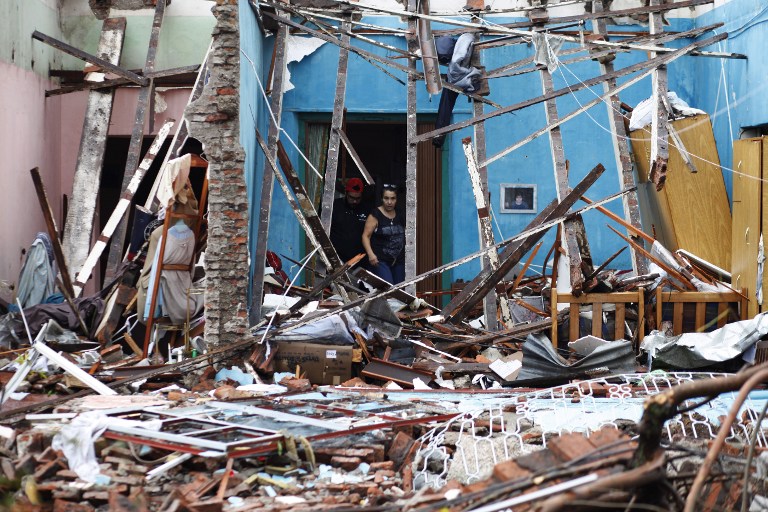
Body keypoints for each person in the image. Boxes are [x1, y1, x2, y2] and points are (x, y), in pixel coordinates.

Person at [362, 185, 405, 284]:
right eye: (386, 198)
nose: (389, 202)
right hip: (380, 260)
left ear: (396, 199)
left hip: (398, 260)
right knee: (387, 287)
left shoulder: (400, 214)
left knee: (400, 288)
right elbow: (365, 236)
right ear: (382, 198)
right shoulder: (375, 214)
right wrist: (371, 255)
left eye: (392, 198)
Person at [330, 178, 370, 263]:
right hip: (336, 258)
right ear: (346, 194)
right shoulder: (334, 207)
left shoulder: (367, 209)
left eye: (358, 198)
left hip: (360, 259)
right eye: (351, 198)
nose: (355, 201)